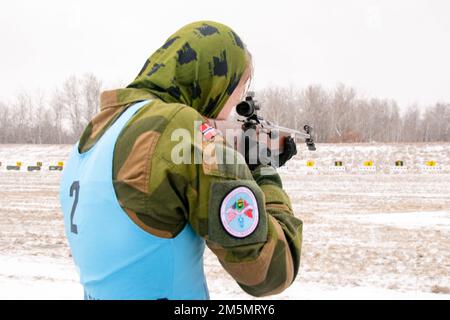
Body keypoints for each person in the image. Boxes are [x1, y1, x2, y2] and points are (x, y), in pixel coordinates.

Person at [60, 20, 302, 300]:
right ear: (215, 83)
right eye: (234, 97)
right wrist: (263, 169)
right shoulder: (180, 126)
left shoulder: (94, 134)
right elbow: (270, 272)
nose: (230, 115)